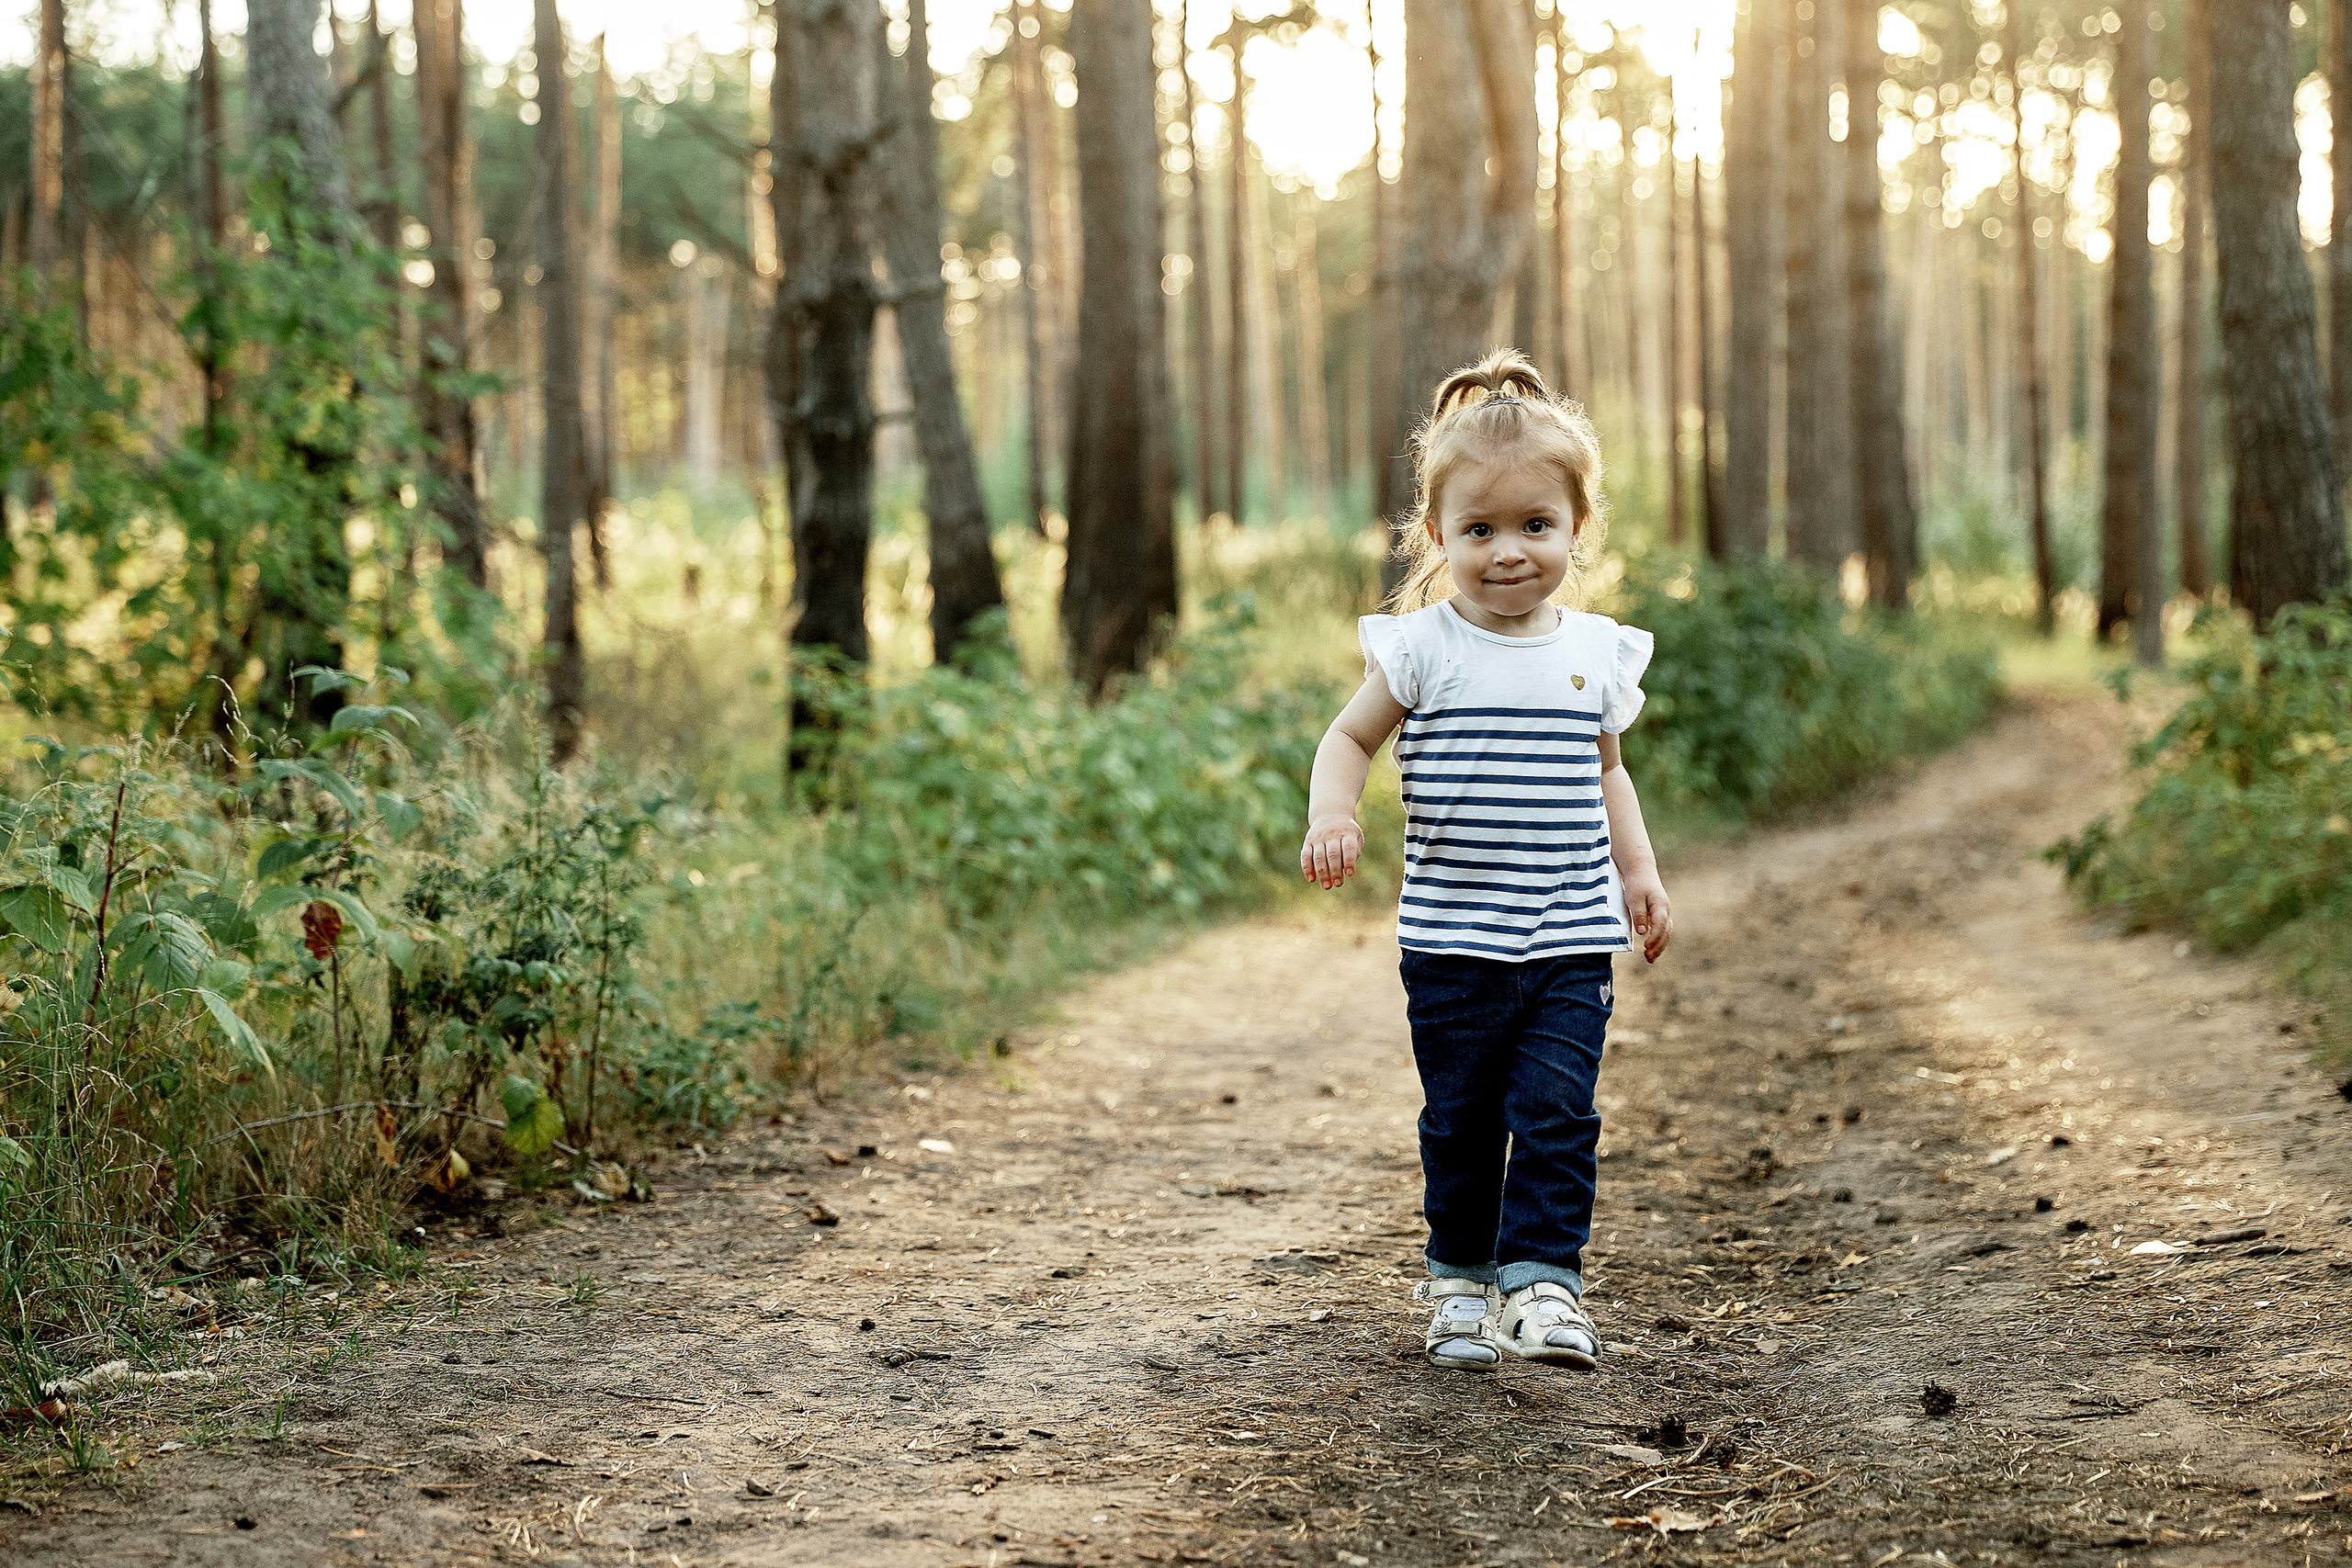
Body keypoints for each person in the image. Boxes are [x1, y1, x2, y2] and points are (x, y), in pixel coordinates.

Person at [1299, 348, 1672, 1371]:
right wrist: (1334, 811)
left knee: (1556, 1114)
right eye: (1479, 530)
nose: (1509, 552)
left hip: (1565, 938)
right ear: (1438, 534)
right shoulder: (1421, 649)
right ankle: (1460, 1284)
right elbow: (1345, 740)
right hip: (1454, 943)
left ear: (1576, 528)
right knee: (1462, 1121)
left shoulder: (1594, 653)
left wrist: (1637, 876)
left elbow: (1609, 777)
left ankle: (1543, 1286)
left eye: (1535, 527)